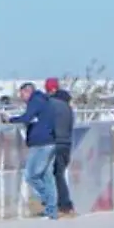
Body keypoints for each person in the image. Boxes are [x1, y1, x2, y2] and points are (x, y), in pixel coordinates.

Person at [6, 81, 59, 219]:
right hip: (51, 141)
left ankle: (50, 202)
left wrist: (10, 120)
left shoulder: (35, 101)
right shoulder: (45, 101)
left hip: (41, 144)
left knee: (31, 175)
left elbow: (27, 117)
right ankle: (51, 211)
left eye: (22, 94)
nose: (21, 97)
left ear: (27, 92)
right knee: (47, 177)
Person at [48, 80, 76, 217]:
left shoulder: (51, 105)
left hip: (55, 142)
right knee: (60, 173)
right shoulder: (68, 108)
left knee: (55, 175)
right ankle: (63, 203)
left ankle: (63, 204)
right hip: (67, 142)